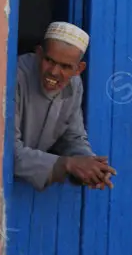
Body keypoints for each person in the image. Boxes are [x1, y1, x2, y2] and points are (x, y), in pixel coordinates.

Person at [14, 21, 116, 191]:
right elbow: (7, 152)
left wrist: (89, 165)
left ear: (78, 69)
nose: (54, 72)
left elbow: (72, 137)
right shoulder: (15, 76)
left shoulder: (74, 85)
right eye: (49, 60)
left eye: (65, 66)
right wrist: (66, 164)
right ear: (39, 53)